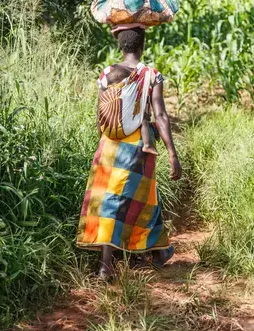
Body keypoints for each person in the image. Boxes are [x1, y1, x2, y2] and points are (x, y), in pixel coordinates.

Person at [76, 26, 182, 279]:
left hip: (110, 143)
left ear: (120, 47)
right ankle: (107, 266)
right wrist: (172, 153)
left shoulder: (107, 74)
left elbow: (99, 114)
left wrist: (105, 139)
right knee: (137, 199)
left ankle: (158, 251)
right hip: (137, 146)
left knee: (110, 200)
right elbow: (161, 115)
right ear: (142, 45)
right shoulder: (151, 75)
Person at [106, 65, 158, 155]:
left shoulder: (109, 94)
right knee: (144, 120)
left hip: (110, 125)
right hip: (123, 123)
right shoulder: (126, 94)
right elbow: (134, 109)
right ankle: (147, 145)